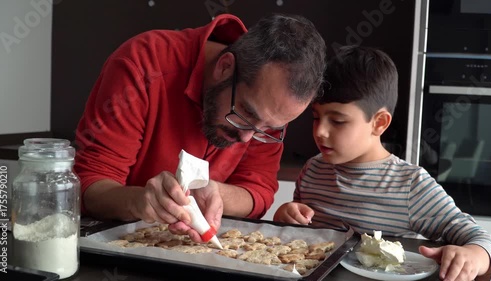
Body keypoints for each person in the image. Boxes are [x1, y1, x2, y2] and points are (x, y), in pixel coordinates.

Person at [74, 13, 326, 243]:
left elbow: (259, 192)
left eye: (269, 128)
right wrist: (140, 201)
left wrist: (216, 193)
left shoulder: (269, 105)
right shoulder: (143, 63)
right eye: (246, 113)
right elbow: (89, 186)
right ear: (224, 67)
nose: (248, 137)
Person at [273, 46, 491, 281]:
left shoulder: (411, 185)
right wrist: (285, 217)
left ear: (379, 123)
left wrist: (475, 255)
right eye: (316, 117)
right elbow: (297, 238)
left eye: (337, 121)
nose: (321, 131)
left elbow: (477, 237)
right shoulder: (313, 170)